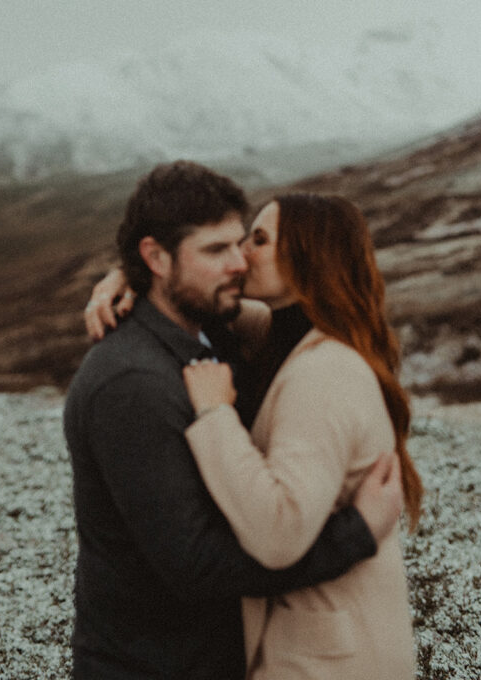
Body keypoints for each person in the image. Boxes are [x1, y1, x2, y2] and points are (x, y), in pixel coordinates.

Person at [65, 161, 403, 680]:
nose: (239, 262)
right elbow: (199, 565)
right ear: (156, 257)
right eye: (217, 250)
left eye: (246, 242)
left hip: (250, 652)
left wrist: (135, 277)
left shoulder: (230, 337)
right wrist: (354, 534)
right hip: (154, 665)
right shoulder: (133, 383)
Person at [182, 193, 421, 679]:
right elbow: (204, 304)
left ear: (307, 256)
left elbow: (279, 532)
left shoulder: (323, 374)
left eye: (259, 239)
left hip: (330, 661)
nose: (240, 252)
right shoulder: (290, 334)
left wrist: (214, 415)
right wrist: (131, 279)